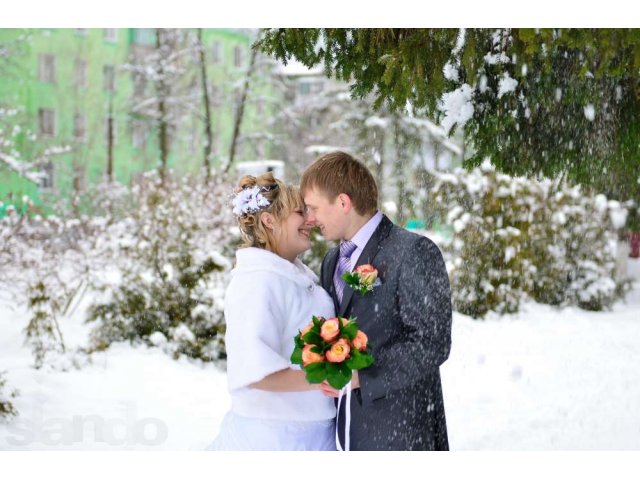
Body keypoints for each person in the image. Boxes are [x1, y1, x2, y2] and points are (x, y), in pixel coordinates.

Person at [301, 151, 452, 451]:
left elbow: (432, 342)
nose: (309, 219)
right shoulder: (332, 261)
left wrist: (363, 377)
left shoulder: (413, 252)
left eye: (313, 208)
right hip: (346, 434)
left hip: (400, 436)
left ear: (343, 203)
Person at [207, 172, 336, 451]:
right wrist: (325, 377)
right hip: (274, 439)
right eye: (300, 213)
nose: (310, 221)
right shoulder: (257, 281)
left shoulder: (292, 276)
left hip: (310, 434)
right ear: (269, 220)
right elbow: (254, 372)